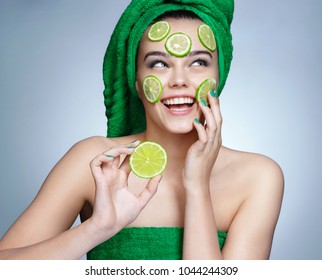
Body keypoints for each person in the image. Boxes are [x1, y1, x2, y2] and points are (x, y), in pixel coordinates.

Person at [0, 0, 284, 260]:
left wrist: (197, 187)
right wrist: (98, 228)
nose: (179, 80)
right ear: (135, 81)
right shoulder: (99, 163)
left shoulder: (258, 177)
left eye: (198, 62)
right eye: (159, 63)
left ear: (218, 76)